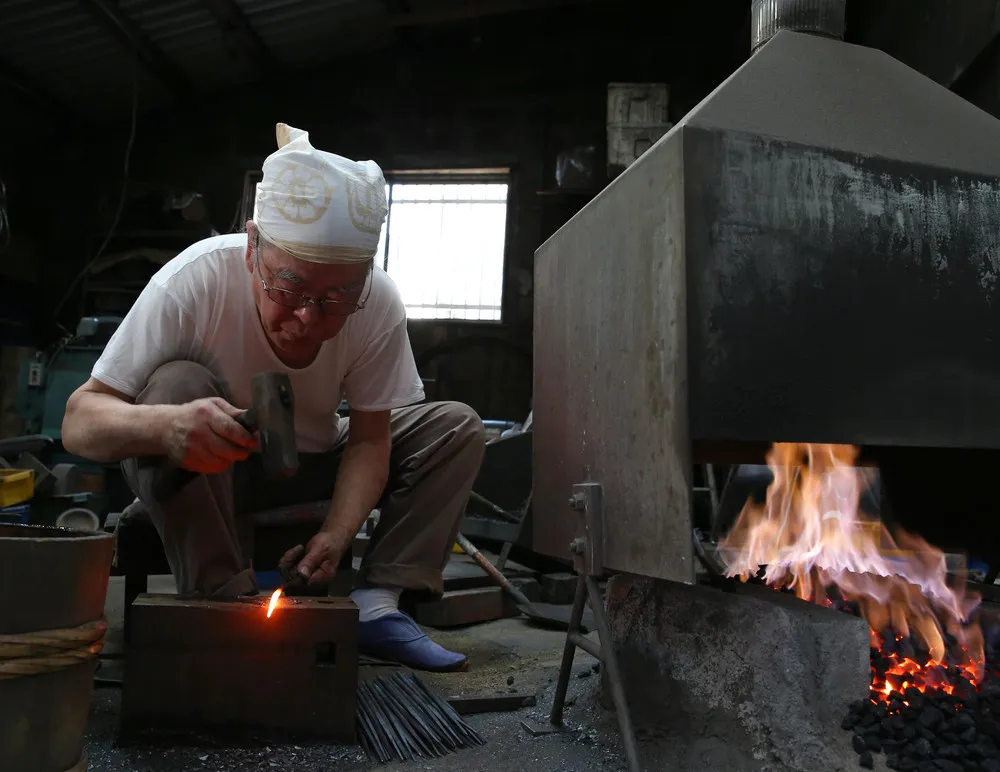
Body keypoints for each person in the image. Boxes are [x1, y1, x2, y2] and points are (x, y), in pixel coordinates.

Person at [62, 123, 485, 673]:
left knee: (454, 427)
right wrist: (167, 427)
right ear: (252, 246)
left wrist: (336, 535)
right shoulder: (195, 281)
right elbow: (79, 420)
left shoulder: (376, 300)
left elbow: (370, 440)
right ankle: (223, 598)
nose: (310, 319)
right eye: (290, 289)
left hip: (313, 460)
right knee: (174, 384)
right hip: (210, 470)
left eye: (338, 299)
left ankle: (378, 604)